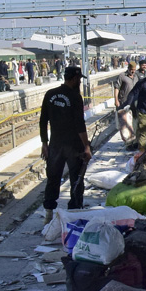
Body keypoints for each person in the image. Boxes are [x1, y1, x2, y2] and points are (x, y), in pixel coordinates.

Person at [39, 66, 91, 224]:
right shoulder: (75, 96)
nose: (80, 82)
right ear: (74, 79)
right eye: (79, 79)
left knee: (53, 178)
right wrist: (86, 146)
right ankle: (74, 212)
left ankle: (48, 213)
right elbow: (79, 124)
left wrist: (44, 143)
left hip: (55, 144)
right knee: (76, 178)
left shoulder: (50, 94)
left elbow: (43, 121)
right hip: (73, 146)